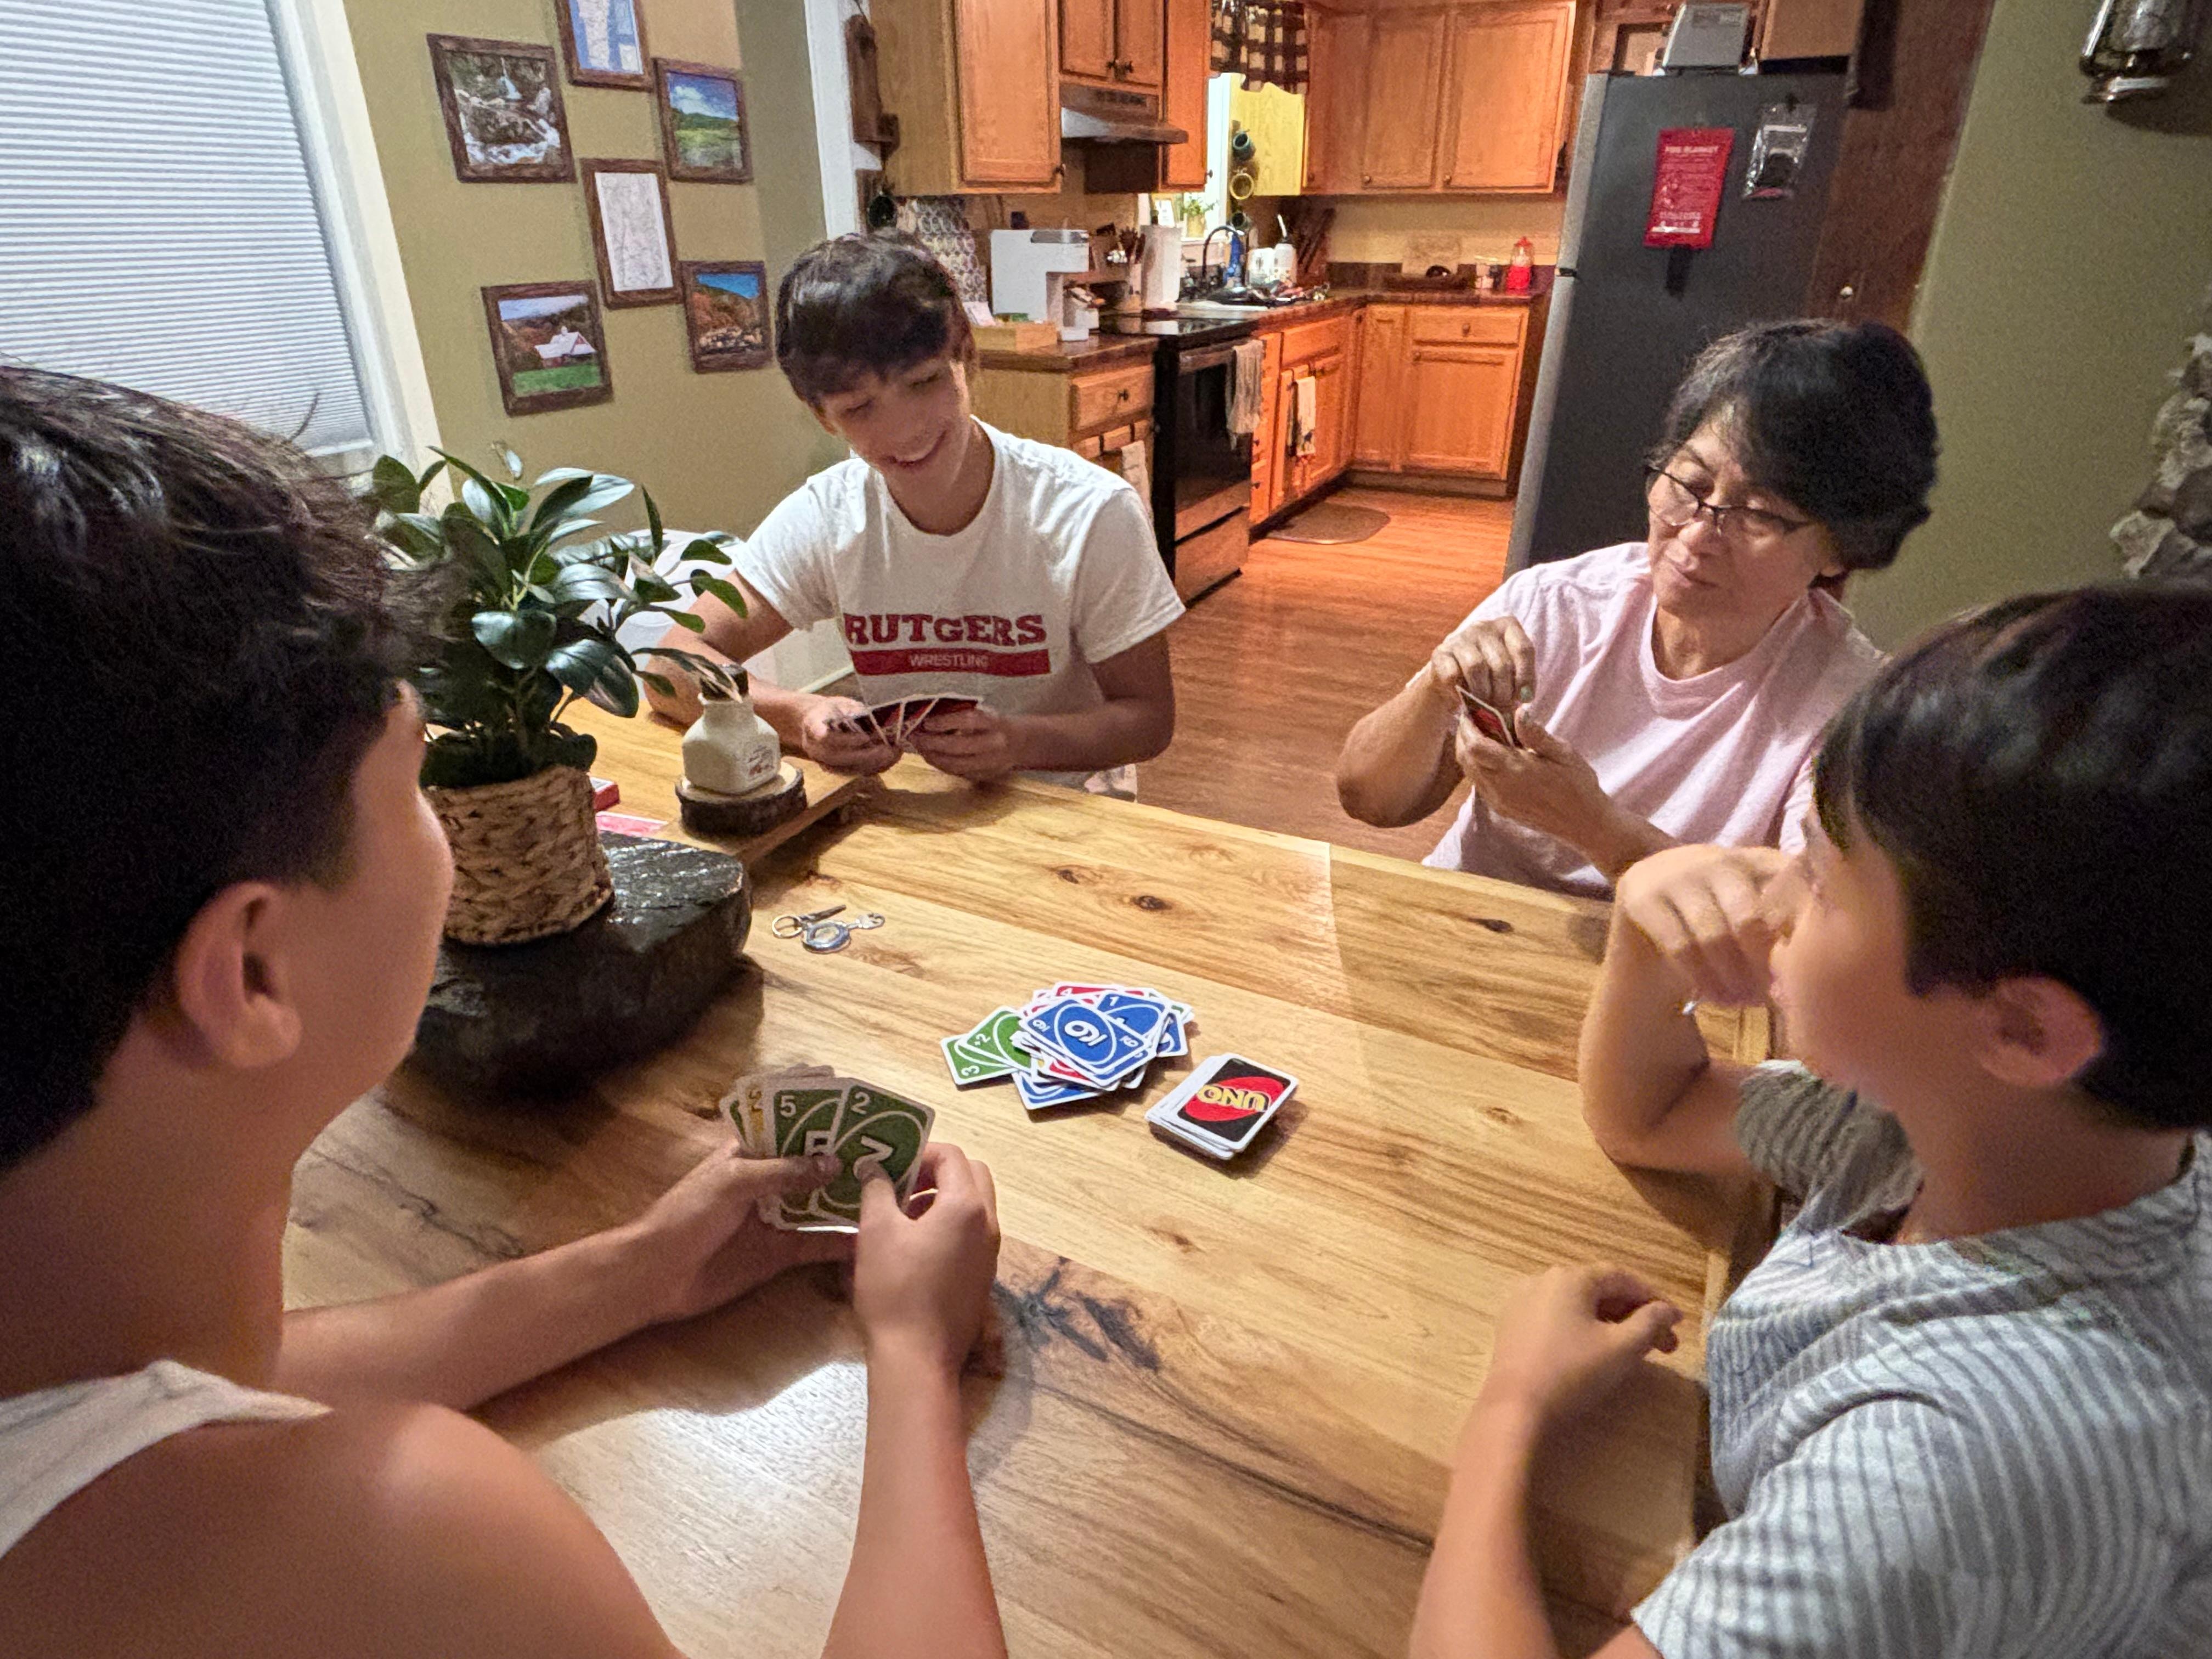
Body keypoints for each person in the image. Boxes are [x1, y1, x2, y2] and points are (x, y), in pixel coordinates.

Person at [0, 366, 1009, 1659]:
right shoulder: (396, 1545)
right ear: (252, 975)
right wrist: (914, 1364)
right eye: (420, 779)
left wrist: (639, 1270)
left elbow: (179, 1398)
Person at [1411, 583, 2212, 1657]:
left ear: (2023, 1030)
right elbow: (1656, 1113)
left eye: (1824, 880)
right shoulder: (1988, 1136)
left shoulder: (1945, 1468)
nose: (1769, 893)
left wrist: (1510, 1411)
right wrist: (1651, 927)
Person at [1336, 320, 1938, 896]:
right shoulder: (1555, 604)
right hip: (1474, 927)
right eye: (1691, 485)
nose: (1697, 535)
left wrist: (1593, 825)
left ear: (1842, 547)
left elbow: (1800, 927)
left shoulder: (1848, 711)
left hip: (1675, 981)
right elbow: (1369, 799)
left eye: (1756, 513)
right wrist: (1435, 691)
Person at [646, 234, 1184, 798]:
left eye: (924, 382)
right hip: (908, 805)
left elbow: (1149, 720)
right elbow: (669, 668)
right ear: (823, 417)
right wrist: (798, 714)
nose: (904, 430)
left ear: (967, 356)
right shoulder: (828, 516)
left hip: (1067, 804)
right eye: (859, 408)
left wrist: (1021, 742)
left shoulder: (1089, 511)